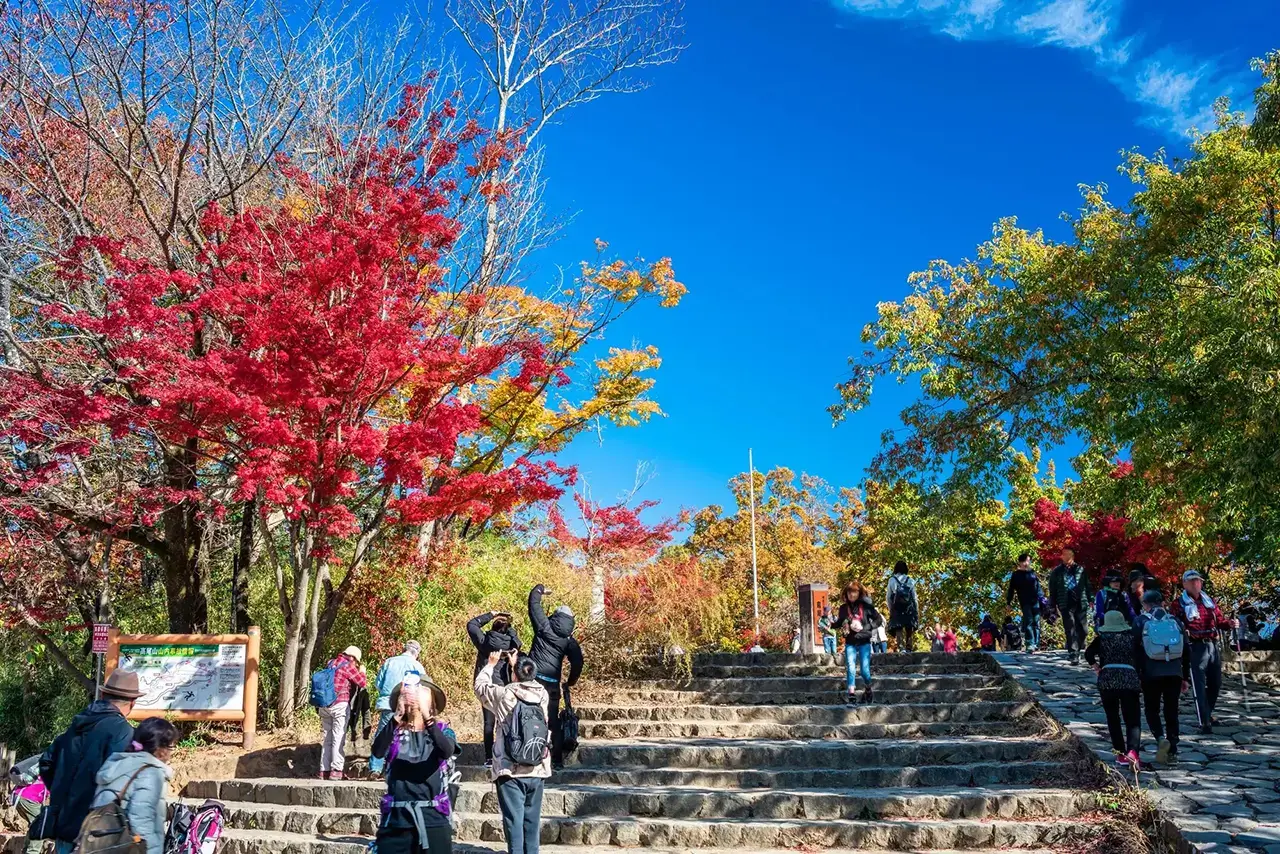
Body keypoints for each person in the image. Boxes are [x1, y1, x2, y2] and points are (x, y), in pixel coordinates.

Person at [40, 669, 141, 854]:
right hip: (98, 833)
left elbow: (46, 763)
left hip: (64, 826)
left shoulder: (75, 726)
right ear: (133, 703)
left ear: (102, 695)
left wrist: (63, 792)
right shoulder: (124, 732)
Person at [475, 650, 552, 854]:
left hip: (510, 770)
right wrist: (515, 666)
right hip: (537, 766)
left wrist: (491, 665)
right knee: (531, 823)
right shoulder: (543, 695)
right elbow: (524, 683)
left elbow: (480, 687)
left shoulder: (504, 694)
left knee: (513, 823)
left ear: (515, 675)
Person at [371, 675, 456, 854]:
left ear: (431, 702)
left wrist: (427, 718)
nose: (415, 697)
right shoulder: (393, 732)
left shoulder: (442, 731)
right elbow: (377, 751)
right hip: (396, 820)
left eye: (421, 693)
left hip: (433, 818)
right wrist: (397, 715)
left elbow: (446, 750)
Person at [87, 717, 179, 854]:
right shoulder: (150, 773)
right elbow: (141, 822)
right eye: (171, 747)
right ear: (161, 749)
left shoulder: (117, 765)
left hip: (102, 845)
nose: (172, 752)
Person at [1175, 570, 1239, 734]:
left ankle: (1207, 713)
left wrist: (1230, 623)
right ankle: (1204, 721)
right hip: (1194, 647)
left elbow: (1220, 621)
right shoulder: (1178, 604)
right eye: (1192, 581)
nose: (1197, 583)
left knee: (1216, 682)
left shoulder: (1208, 601)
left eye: (1198, 581)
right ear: (1185, 584)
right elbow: (1174, 625)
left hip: (1212, 645)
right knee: (1199, 685)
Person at [527, 585, 583, 769]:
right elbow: (578, 663)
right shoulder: (569, 641)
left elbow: (533, 603)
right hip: (552, 685)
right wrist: (571, 681)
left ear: (555, 616)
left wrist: (540, 589)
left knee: (529, 717)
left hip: (532, 680)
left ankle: (528, 755)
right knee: (552, 720)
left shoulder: (544, 626)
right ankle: (556, 760)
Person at [1135, 588, 1190, 765]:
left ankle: (1160, 738)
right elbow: (1186, 650)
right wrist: (1185, 676)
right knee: (1171, 710)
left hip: (1150, 673)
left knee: (1152, 709)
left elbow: (1134, 649)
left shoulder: (1141, 621)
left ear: (1145, 605)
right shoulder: (1175, 621)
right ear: (1162, 603)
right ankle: (1173, 750)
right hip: (1174, 671)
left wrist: (1137, 673)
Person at [1085, 609, 1144, 769]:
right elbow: (1141, 657)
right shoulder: (1131, 638)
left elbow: (1088, 653)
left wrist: (1096, 667)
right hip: (1128, 678)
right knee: (1133, 720)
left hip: (1107, 679)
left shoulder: (1102, 638)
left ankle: (1120, 753)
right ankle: (1133, 752)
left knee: (1113, 718)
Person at [467, 611, 523, 768]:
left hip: (486, 684)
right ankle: (507, 753)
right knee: (506, 720)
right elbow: (519, 644)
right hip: (503, 685)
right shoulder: (510, 645)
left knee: (488, 722)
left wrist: (491, 614)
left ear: (493, 626)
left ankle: (489, 758)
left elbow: (472, 624)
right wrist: (510, 629)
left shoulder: (484, 641)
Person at [369, 641, 424, 775]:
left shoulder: (389, 662)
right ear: (416, 653)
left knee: (383, 734)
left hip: (387, 703)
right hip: (408, 705)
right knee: (404, 736)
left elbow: (378, 684)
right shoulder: (416, 665)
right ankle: (393, 768)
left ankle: (375, 768)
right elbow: (422, 687)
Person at [319, 646, 367, 781]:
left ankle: (324, 770)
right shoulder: (348, 666)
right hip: (339, 704)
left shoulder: (330, 662)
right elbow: (362, 683)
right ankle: (336, 770)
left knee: (327, 737)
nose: (356, 664)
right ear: (352, 658)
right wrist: (362, 672)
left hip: (324, 705)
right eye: (356, 661)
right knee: (338, 737)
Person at [835, 581, 883, 705]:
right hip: (850, 642)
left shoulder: (866, 606)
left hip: (864, 641)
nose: (852, 595)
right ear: (846, 593)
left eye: (854, 592)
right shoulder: (843, 608)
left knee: (864, 671)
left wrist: (868, 627)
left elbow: (878, 619)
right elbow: (840, 622)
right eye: (849, 592)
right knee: (850, 667)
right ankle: (851, 693)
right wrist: (830, 624)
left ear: (859, 593)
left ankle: (868, 688)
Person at [1048, 547, 1092, 664]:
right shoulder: (1056, 572)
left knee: (1084, 630)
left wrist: (1090, 598)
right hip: (1065, 602)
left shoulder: (1080, 570)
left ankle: (1078, 645)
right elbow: (1052, 590)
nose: (1066, 556)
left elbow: (1087, 585)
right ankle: (1073, 653)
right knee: (1070, 627)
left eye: (1068, 554)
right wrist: (1052, 604)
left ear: (1073, 556)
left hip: (1080, 601)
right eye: (1064, 554)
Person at [1005, 553, 1043, 652]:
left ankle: (1036, 644)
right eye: (1025, 561)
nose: (1027, 563)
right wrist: (1008, 602)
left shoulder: (1032, 573)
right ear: (1020, 562)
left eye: (1028, 561)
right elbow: (1011, 589)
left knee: (1037, 623)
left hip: (1036, 601)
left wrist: (1043, 599)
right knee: (1029, 621)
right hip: (1025, 602)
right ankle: (1030, 643)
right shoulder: (1016, 575)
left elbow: (1038, 587)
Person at [9, 756, 48, 854]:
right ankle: (32, 852)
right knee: (41, 826)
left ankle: (27, 850)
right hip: (28, 797)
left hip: (21, 796)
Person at [885, 561, 919, 652]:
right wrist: (916, 609)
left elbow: (888, 596)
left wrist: (890, 608)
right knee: (909, 627)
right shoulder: (910, 580)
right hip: (909, 607)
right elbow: (914, 597)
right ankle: (909, 647)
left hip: (897, 607)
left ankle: (901, 647)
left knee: (898, 627)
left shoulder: (892, 580)